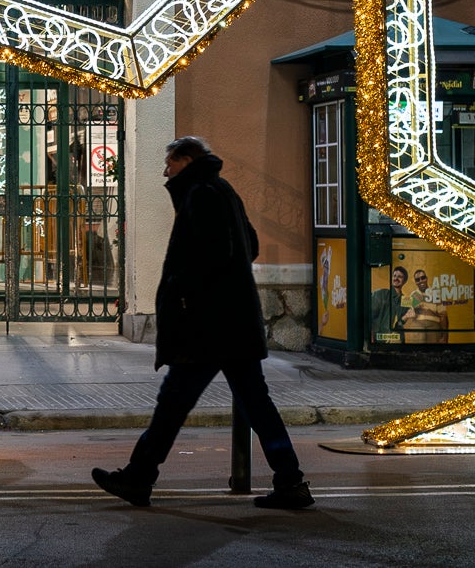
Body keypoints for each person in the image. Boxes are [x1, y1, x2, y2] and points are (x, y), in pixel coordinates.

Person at [92, 136, 314, 510]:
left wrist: (182, 292)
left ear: (188, 159)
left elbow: (213, 256)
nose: (166, 172)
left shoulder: (202, 194)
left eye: (170, 163)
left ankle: (139, 477)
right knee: (255, 405)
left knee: (173, 404)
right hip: (231, 324)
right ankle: (290, 481)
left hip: (208, 328)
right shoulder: (220, 189)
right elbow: (250, 244)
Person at [371, 264, 408, 338]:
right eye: (394, 276)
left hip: (396, 338)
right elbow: (370, 315)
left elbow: (401, 323)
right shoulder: (381, 293)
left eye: (400, 277)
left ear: (404, 281)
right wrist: (371, 334)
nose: (396, 278)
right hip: (380, 338)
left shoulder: (406, 300)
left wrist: (406, 317)